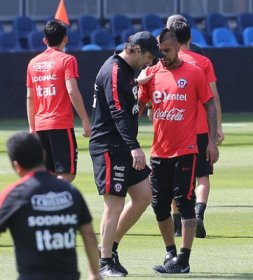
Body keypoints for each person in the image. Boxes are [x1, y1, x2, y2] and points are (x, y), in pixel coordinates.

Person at [138, 28, 219, 274]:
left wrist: (212, 140)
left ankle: (184, 259)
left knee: (184, 203)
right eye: (159, 51)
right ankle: (170, 253)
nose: (162, 55)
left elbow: (210, 105)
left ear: (178, 48)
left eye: (167, 51)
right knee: (159, 206)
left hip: (185, 151)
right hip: (158, 152)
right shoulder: (151, 74)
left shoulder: (193, 73)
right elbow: (139, 108)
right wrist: (136, 86)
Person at [89, 31, 163, 277]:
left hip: (122, 145)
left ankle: (109, 247)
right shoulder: (115, 70)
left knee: (144, 195)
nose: (150, 62)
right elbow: (118, 111)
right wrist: (134, 146)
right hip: (110, 146)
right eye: (150, 56)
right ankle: (104, 261)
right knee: (114, 204)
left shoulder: (126, 70)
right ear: (135, 50)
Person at [0, 132, 101, 280]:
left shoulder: (13, 195)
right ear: (44, 155)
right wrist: (95, 273)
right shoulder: (70, 191)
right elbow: (89, 235)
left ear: (16, 165)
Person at [169, 19, 225, 238]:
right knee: (202, 176)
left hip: (175, 128)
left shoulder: (167, 61)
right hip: (201, 129)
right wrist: (218, 127)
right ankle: (198, 216)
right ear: (190, 38)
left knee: (174, 177)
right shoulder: (203, 62)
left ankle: (176, 223)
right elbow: (214, 97)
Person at [26, 19, 92, 183]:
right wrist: (85, 121)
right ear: (66, 39)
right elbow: (72, 90)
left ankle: (45, 203)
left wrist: (31, 128)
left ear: (44, 41)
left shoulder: (32, 63)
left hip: (40, 125)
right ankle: (54, 202)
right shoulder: (67, 60)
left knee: (49, 173)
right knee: (67, 174)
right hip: (60, 124)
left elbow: (30, 97)